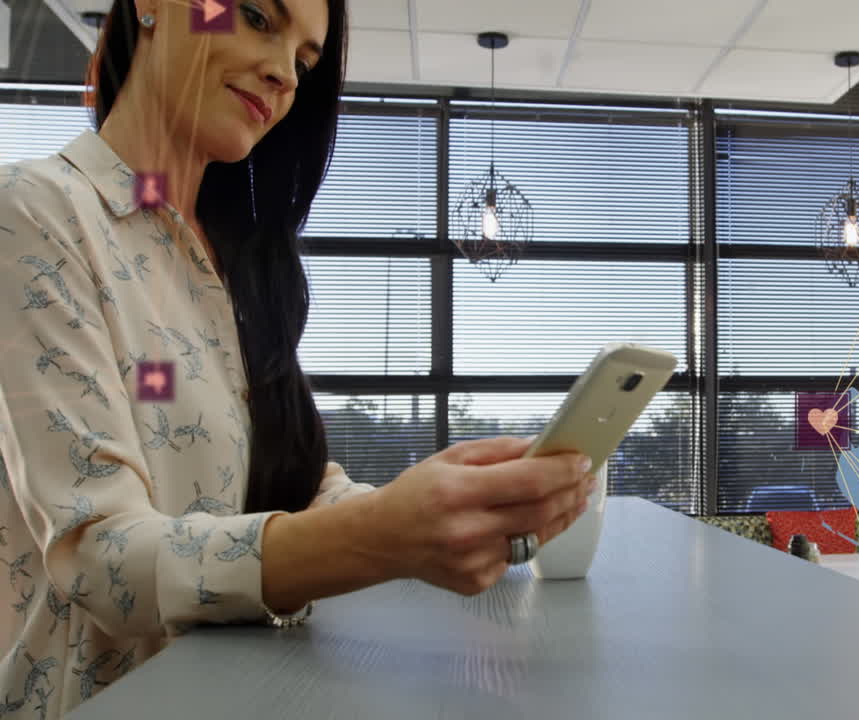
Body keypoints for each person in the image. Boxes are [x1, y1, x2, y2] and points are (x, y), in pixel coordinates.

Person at [0, 1, 595, 716]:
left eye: (306, 62)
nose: (285, 73)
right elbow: (104, 562)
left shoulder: (231, 265)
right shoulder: (37, 216)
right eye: (254, 15)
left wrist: (450, 506)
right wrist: (385, 537)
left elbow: (291, 485)